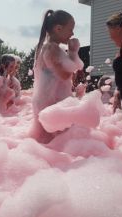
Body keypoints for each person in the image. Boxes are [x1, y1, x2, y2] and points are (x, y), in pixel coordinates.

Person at [30, 9, 84, 143]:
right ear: (59, 28)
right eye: (71, 29)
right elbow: (64, 75)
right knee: (59, 145)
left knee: (50, 145)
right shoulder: (51, 49)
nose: (72, 33)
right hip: (50, 105)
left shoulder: (50, 48)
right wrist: (73, 52)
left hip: (47, 103)